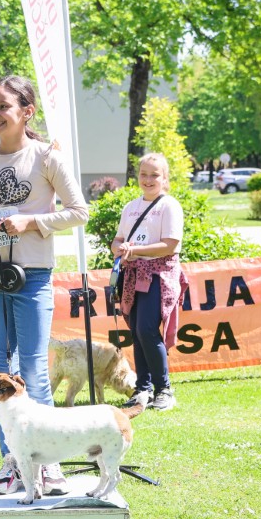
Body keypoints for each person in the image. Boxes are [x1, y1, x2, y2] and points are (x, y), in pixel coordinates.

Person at [0, 74, 89, 496]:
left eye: (3, 107)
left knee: (32, 369)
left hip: (33, 277)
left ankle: (47, 465)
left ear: (26, 112)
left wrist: (32, 221)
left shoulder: (47, 157)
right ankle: (12, 463)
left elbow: (79, 211)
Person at [112, 152, 188, 412]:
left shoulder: (169, 206)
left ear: (165, 178)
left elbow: (170, 245)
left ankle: (164, 389)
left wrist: (136, 251)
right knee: (136, 331)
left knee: (146, 330)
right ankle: (142, 389)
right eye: (143, 174)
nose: (148, 179)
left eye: (154, 175)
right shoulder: (130, 207)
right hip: (132, 275)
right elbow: (117, 239)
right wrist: (121, 249)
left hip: (159, 274)